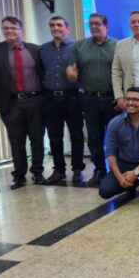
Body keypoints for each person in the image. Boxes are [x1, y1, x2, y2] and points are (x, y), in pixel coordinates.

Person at [0, 16, 46, 189]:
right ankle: (19, 175)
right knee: (16, 141)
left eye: (13, 28)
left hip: (36, 101)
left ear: (22, 31)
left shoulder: (36, 50)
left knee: (37, 139)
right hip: (10, 103)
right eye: (6, 28)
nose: (9, 31)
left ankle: (37, 172)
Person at [67, 13, 119, 187]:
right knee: (94, 137)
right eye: (91, 24)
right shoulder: (80, 46)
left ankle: (117, 170)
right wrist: (71, 75)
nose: (94, 27)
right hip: (89, 99)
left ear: (106, 26)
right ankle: (99, 170)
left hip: (112, 99)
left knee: (115, 136)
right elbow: (72, 70)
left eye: (97, 24)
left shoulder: (117, 46)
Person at [38, 16, 85, 184]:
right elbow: (40, 72)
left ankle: (77, 169)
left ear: (68, 28)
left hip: (72, 96)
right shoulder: (43, 49)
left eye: (59, 25)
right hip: (50, 97)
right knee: (54, 136)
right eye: (52, 25)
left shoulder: (77, 48)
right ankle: (59, 170)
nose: (55, 28)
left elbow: (84, 72)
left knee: (76, 134)